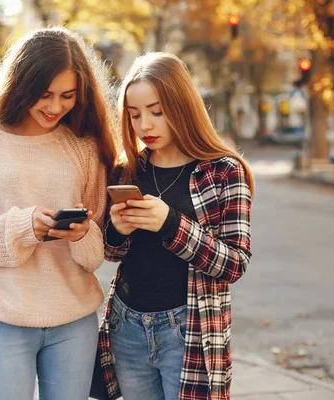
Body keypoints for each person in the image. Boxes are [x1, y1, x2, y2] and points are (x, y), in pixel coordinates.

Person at [0, 27, 117, 400]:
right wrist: (21, 227)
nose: (55, 106)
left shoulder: (83, 145)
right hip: (0, 320)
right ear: (21, 84)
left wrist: (82, 235)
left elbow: (96, 254)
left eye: (67, 95)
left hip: (74, 322)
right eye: (44, 94)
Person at [97, 52, 254, 400]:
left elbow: (234, 263)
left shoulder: (224, 171)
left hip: (188, 329)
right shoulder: (128, 170)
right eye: (134, 114)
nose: (144, 125)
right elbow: (111, 253)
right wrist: (117, 230)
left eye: (156, 111)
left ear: (182, 106)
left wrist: (170, 224)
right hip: (127, 326)